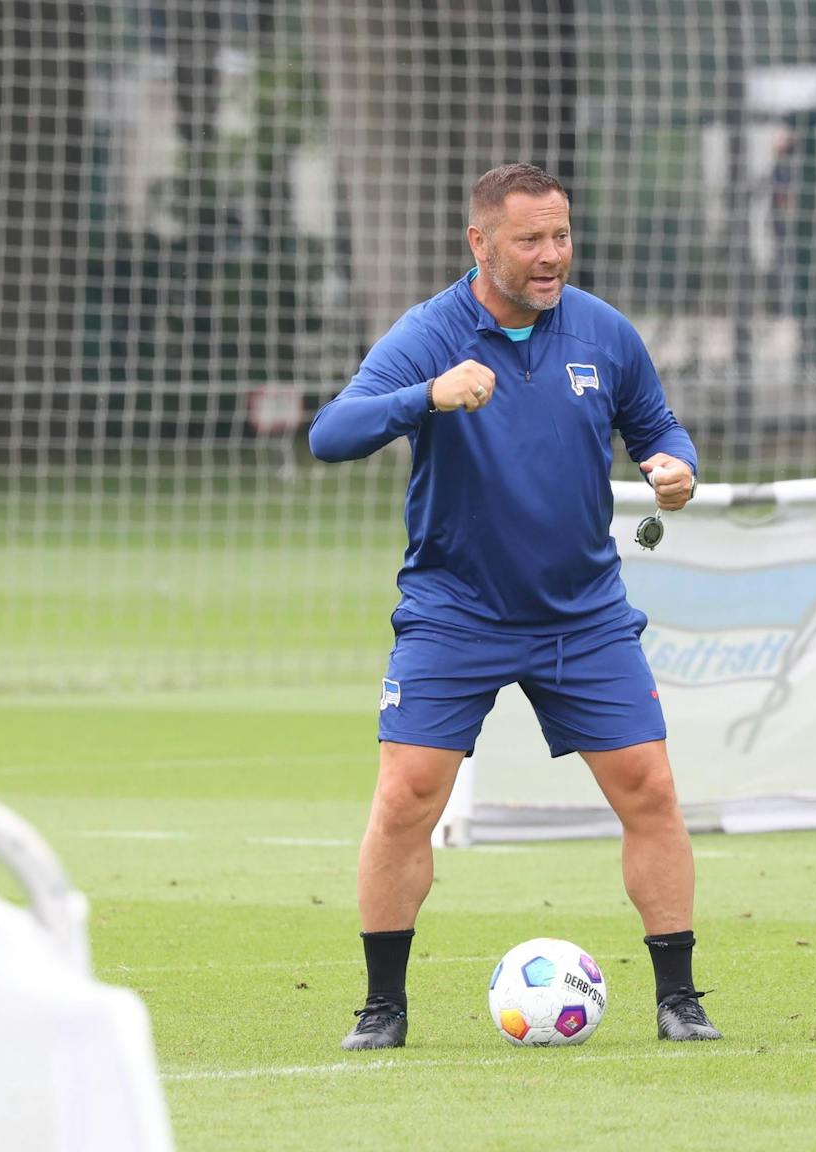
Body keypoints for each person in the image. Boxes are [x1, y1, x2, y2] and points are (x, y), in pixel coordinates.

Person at [309, 162, 722, 1051]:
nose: (551, 256)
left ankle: (679, 997)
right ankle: (383, 1006)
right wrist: (426, 395)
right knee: (406, 796)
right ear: (480, 243)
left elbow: (656, 426)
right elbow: (330, 433)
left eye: (561, 236)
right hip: (455, 609)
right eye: (530, 239)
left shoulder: (603, 332)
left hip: (582, 610)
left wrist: (674, 467)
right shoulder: (430, 334)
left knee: (650, 788)